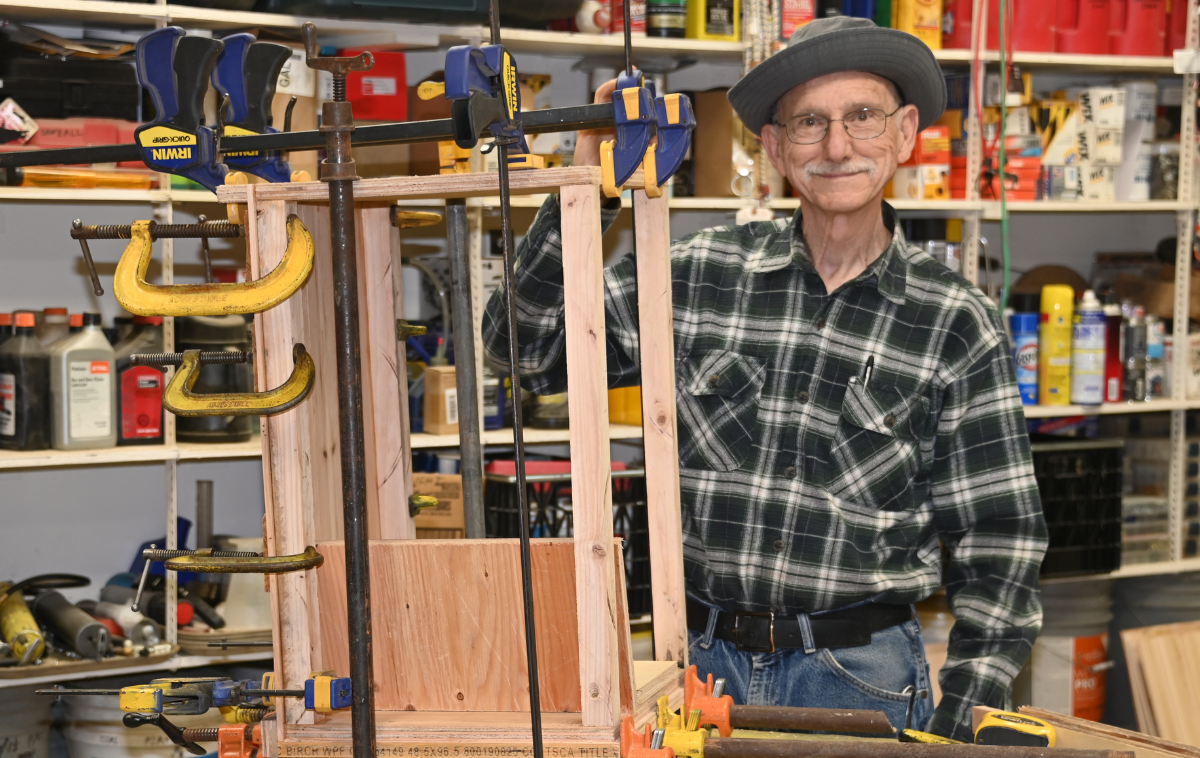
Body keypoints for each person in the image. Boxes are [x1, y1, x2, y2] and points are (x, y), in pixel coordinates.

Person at [480, 16, 1047, 741]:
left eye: (861, 118)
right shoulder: (695, 276)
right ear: (775, 147)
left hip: (859, 681)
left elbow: (999, 543)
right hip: (698, 670)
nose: (837, 146)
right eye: (810, 122)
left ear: (905, 135)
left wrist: (964, 725)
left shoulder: (955, 321)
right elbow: (520, 350)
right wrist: (585, 186)